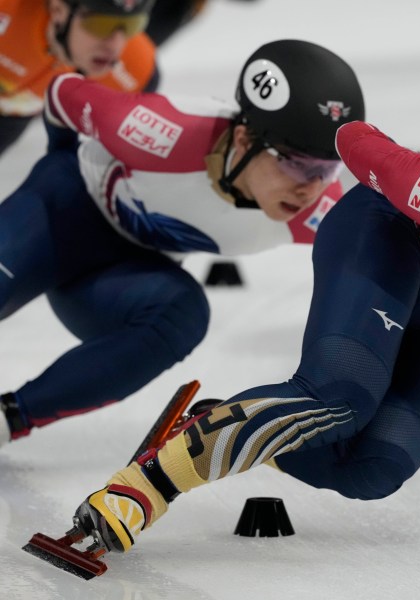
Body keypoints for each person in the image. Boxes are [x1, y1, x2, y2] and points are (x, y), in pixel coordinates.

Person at [66, 70, 420, 555]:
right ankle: (146, 485)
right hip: (386, 236)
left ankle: (219, 422)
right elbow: (353, 138)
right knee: (340, 397)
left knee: (374, 470)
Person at [0, 39, 365, 445]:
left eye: (328, 169)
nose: (311, 188)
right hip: (59, 213)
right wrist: (57, 162)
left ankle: (9, 418)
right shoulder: (159, 128)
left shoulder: (320, 212)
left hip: (115, 280)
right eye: (298, 164)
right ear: (244, 141)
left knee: (182, 315)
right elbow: (60, 95)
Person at [0, 0, 158, 157]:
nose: (115, 46)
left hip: (15, 113)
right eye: (100, 25)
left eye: (133, 26)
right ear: (58, 10)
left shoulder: (136, 70)